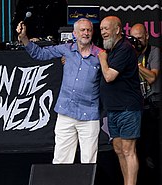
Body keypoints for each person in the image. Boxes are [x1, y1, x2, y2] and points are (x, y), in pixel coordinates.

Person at [16, 18, 103, 164]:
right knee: (61, 159)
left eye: (89, 30)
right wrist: (24, 38)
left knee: (89, 161)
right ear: (74, 33)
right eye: (82, 30)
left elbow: (111, 76)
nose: (86, 33)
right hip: (66, 112)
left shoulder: (100, 55)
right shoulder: (66, 49)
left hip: (89, 114)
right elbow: (40, 54)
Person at [98, 16, 143, 185]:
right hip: (113, 109)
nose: (103, 32)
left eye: (107, 29)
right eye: (101, 29)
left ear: (118, 29)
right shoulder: (112, 49)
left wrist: (102, 59)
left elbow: (109, 76)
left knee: (128, 149)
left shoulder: (124, 48)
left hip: (128, 108)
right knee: (118, 149)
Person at [130, 23, 162, 185]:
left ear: (146, 37)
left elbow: (152, 77)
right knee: (139, 152)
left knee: (156, 152)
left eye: (139, 38)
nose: (136, 42)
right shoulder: (129, 54)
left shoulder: (154, 52)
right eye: (132, 38)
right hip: (138, 108)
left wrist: (135, 64)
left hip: (156, 107)